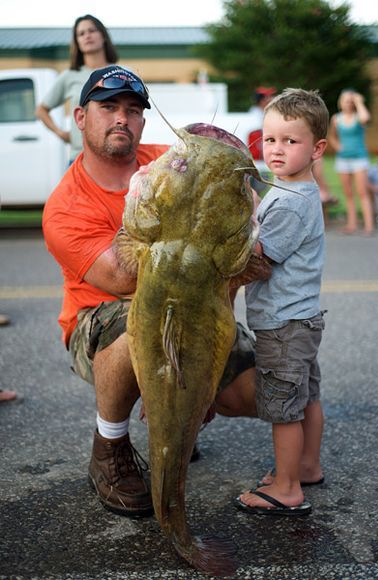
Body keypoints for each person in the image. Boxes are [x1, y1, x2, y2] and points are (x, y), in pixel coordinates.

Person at [42, 65, 260, 519]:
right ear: (80, 117)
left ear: (143, 121)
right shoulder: (65, 206)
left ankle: (177, 423)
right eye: (108, 108)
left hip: (196, 305)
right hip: (101, 320)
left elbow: (233, 247)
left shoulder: (171, 161)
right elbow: (126, 279)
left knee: (258, 393)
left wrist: (202, 370)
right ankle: (110, 447)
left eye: (133, 110)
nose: (122, 118)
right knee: (137, 330)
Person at [232, 88, 329, 516]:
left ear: (317, 148)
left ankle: (288, 487)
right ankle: (306, 466)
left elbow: (262, 259)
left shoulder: (291, 202)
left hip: (283, 324)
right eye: (270, 139)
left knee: (283, 408)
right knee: (306, 397)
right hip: (300, 320)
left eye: (291, 141)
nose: (276, 149)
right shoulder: (290, 189)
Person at [36, 14, 118, 163]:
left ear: (103, 35)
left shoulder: (121, 73)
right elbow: (41, 110)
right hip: (80, 159)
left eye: (92, 30)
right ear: (77, 42)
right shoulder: (69, 76)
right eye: (81, 33)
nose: (87, 36)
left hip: (116, 159)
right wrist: (61, 134)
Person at [329, 89, 374, 235]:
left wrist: (359, 101)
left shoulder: (358, 117)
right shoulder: (336, 118)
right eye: (345, 100)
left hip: (359, 159)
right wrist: (337, 146)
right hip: (343, 160)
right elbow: (332, 136)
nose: (348, 103)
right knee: (348, 193)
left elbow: (365, 118)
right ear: (340, 102)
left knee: (362, 192)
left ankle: (369, 226)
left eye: (350, 101)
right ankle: (352, 224)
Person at [248, 86, 277, 179]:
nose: (273, 98)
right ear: (262, 100)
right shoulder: (255, 117)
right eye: (269, 96)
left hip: (262, 160)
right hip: (256, 161)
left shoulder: (264, 114)